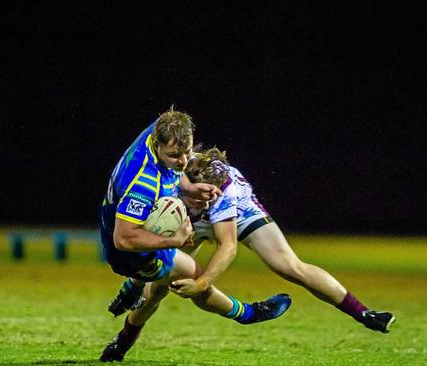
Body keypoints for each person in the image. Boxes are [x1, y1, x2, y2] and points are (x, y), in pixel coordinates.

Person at [98, 108, 292, 362]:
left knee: (158, 290)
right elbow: (122, 240)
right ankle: (248, 314)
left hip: (129, 223)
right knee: (196, 278)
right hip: (129, 253)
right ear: (157, 145)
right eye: (174, 155)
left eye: (187, 151)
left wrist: (187, 188)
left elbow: (175, 159)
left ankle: (124, 333)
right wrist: (173, 241)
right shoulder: (143, 182)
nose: (183, 161)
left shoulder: (158, 130)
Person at [178, 145, 396, 333]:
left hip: (241, 211)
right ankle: (247, 313)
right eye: (198, 199)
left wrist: (202, 283)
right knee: (159, 280)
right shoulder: (170, 168)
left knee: (289, 266)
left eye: (206, 200)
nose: (204, 205)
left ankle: (363, 313)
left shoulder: (225, 191)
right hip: (189, 209)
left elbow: (228, 246)